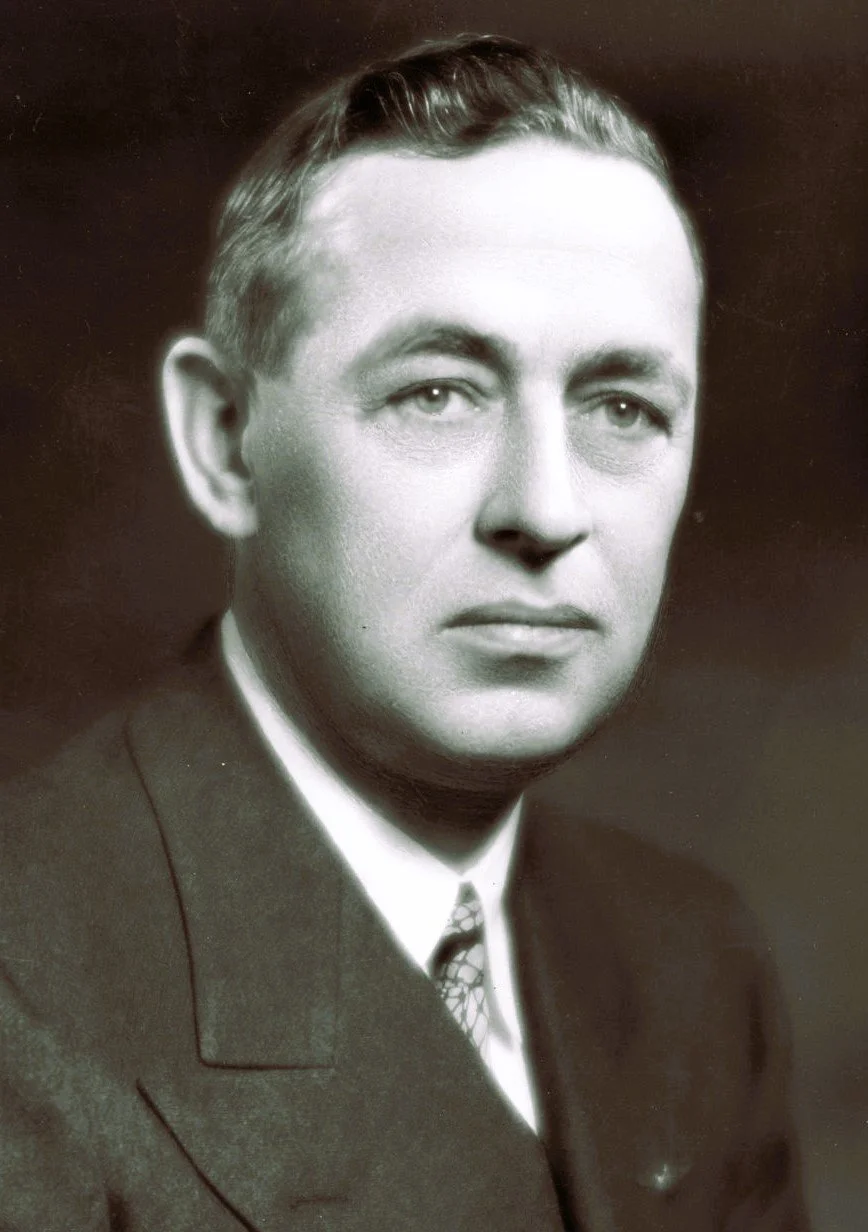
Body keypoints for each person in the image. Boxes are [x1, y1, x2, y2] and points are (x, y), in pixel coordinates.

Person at [0, 34, 807, 1231]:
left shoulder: (690, 960)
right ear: (225, 442)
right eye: (436, 392)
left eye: (622, 406)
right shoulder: (23, 980)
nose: (545, 509)